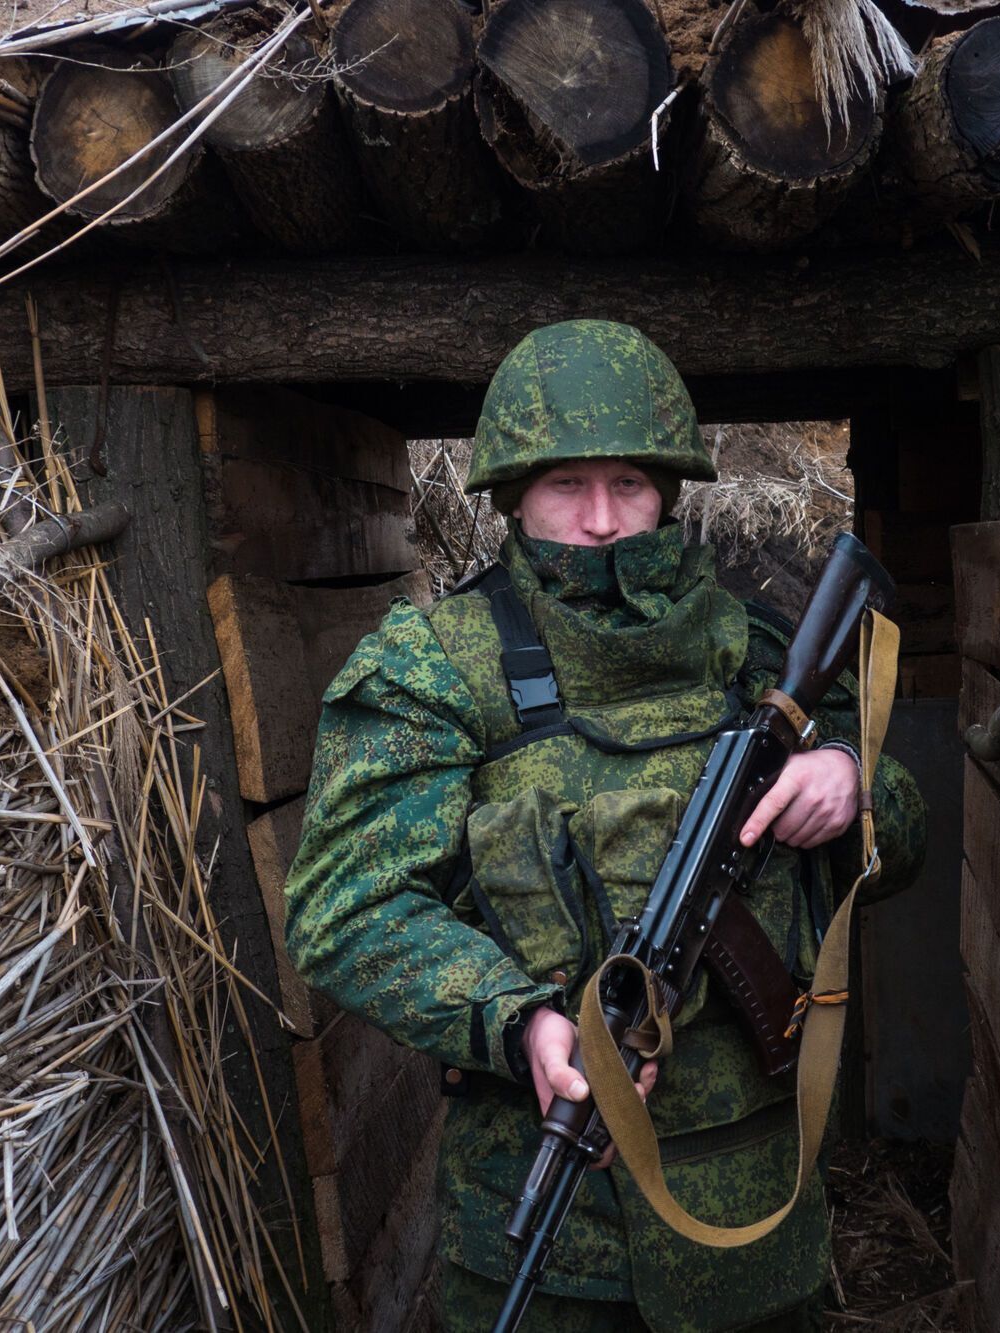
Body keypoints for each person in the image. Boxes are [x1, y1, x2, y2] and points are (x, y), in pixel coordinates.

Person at [284, 320, 925, 1331]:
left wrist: (849, 782)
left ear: (668, 490)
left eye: (626, 483)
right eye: (562, 485)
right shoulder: (434, 664)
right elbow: (345, 907)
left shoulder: (750, 649)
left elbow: (904, 830)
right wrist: (520, 1020)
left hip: (756, 1212)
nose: (599, 520)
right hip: (552, 1222)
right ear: (510, 496)